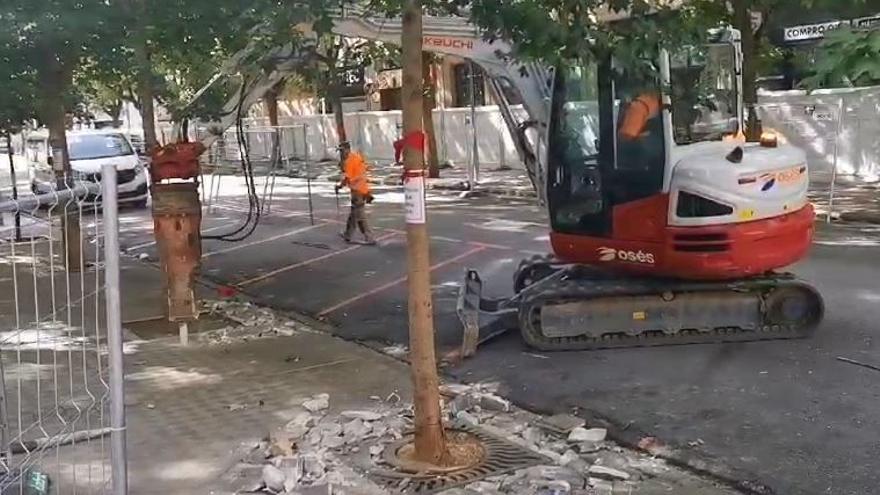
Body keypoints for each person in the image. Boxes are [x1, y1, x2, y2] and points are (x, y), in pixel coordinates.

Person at [335, 142, 376, 245]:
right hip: (362, 189)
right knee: (353, 215)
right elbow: (362, 171)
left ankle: (369, 237)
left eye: (342, 150)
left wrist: (339, 186)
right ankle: (347, 234)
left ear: (347, 149)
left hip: (357, 191)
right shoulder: (356, 156)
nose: (341, 153)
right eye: (340, 151)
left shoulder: (349, 161)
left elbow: (347, 178)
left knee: (360, 216)